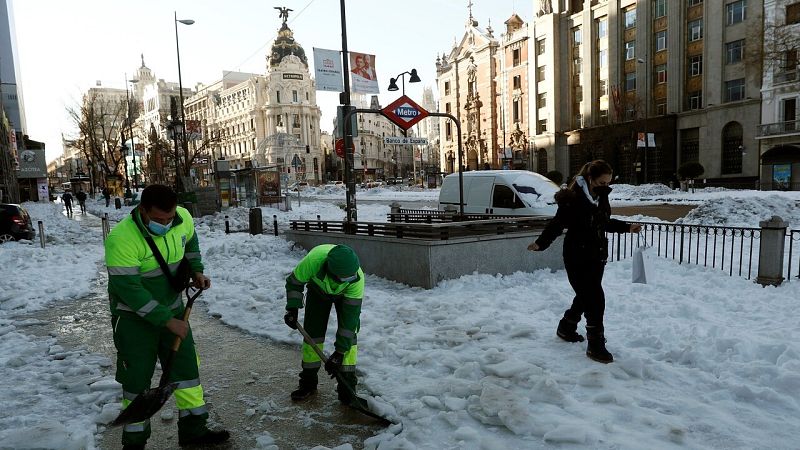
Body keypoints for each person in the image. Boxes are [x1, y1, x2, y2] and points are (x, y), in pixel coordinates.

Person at [104, 184, 229, 449]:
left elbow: (191, 241)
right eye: (159, 219)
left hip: (172, 309)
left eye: (169, 218)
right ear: (143, 210)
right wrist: (167, 320)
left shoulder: (181, 218)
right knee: (136, 383)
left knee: (187, 374)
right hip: (133, 321)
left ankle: (194, 432)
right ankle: (134, 443)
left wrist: (196, 270)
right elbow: (130, 291)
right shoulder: (122, 238)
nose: (165, 223)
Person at [528, 160, 641, 364]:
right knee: (595, 299)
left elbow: (603, 222)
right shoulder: (572, 199)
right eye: (601, 182)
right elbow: (557, 224)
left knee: (586, 295)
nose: (605, 186)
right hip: (576, 255)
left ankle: (567, 326)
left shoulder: (601, 196)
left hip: (597, 255)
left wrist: (627, 227)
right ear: (590, 178)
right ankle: (595, 344)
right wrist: (540, 243)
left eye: (608, 182)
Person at [283, 244, 364, 404]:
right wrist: (293, 307)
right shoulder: (313, 261)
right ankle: (308, 383)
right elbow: (294, 282)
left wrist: (339, 353)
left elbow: (348, 324)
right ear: (330, 271)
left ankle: (347, 390)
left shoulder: (356, 280)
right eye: (343, 278)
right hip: (318, 291)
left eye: (350, 277)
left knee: (350, 338)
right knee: (313, 334)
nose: (348, 280)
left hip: (345, 296)